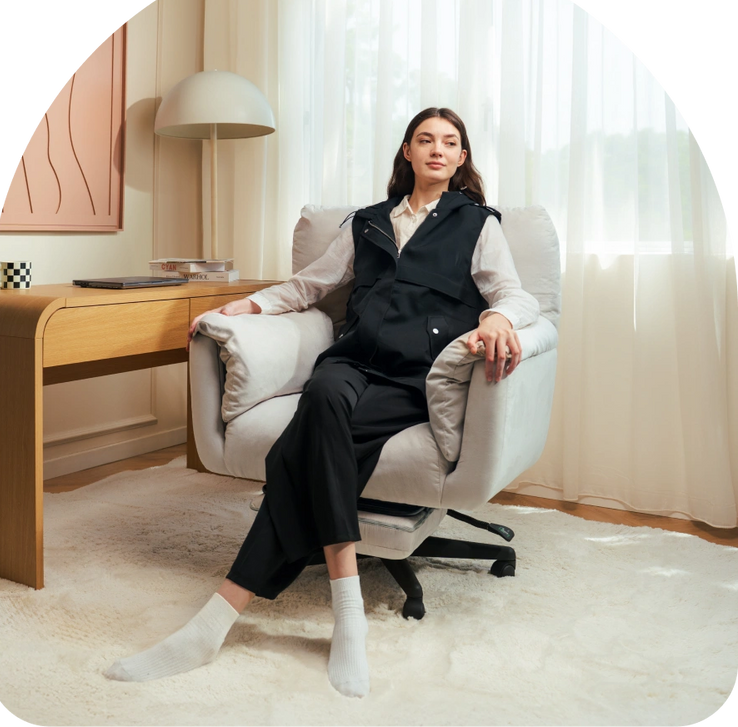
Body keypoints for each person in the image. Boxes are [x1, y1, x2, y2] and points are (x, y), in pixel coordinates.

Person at [104, 107, 539, 697]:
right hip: (351, 361)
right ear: (406, 152)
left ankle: (215, 622)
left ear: (462, 158)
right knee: (324, 397)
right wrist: (246, 308)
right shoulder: (367, 223)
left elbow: (513, 293)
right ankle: (348, 609)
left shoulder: (478, 224)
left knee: (300, 449)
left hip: (414, 378)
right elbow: (310, 285)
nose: (437, 149)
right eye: (425, 139)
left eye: (450, 142)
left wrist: (495, 318)